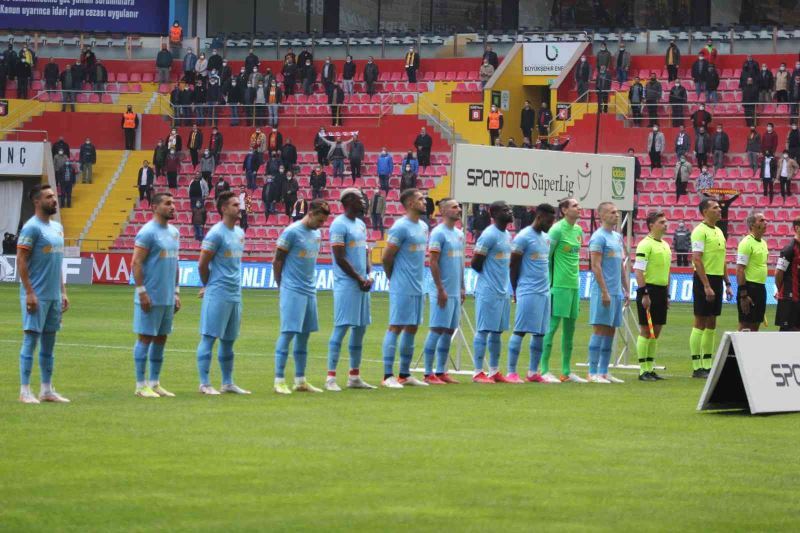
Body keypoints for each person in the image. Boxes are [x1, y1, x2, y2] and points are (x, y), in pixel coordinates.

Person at [16, 185, 70, 404]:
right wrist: (29, 292)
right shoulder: (31, 228)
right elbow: (21, 260)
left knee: (49, 343)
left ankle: (46, 390)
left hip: (53, 296)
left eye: (54, 196)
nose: (54, 200)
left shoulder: (57, 227)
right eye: (49, 197)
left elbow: (57, 262)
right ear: (37, 201)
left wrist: (63, 292)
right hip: (36, 295)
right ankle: (24, 391)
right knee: (31, 340)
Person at [272, 199, 331, 394]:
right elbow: (277, 261)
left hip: (309, 290)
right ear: (310, 214)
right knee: (288, 333)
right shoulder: (291, 232)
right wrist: (281, 286)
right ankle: (279, 380)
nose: (321, 225)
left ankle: (300, 380)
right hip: (292, 289)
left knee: (304, 336)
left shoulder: (317, 234)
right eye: (320, 220)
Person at [195, 192, 250, 395]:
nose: (239, 207)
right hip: (218, 293)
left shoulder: (240, 233)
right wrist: (208, 285)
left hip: (235, 294)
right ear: (224, 209)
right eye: (235, 205)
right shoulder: (215, 234)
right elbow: (202, 264)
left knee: (229, 341)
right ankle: (204, 384)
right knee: (209, 337)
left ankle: (227, 383)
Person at [324, 189, 376, 391]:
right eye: (360, 198)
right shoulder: (339, 224)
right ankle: (330, 377)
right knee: (342, 327)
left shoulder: (361, 224)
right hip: (347, 284)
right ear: (350, 200)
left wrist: (369, 275)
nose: (363, 201)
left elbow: (365, 252)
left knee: (360, 328)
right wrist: (358, 278)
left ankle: (354, 376)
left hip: (362, 284)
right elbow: (339, 257)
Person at [131, 192, 180, 398]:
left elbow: (175, 263)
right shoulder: (147, 232)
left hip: (167, 297)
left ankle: (155, 382)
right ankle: (140, 385)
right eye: (168, 203)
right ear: (154, 207)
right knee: (145, 337)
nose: (173, 206)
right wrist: (142, 292)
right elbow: (136, 263)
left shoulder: (174, 232)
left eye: (173, 203)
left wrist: (176, 292)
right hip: (150, 296)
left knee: (161, 338)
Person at [380, 188, 429, 388]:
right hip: (402, 284)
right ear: (410, 203)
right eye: (420, 199)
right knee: (396, 326)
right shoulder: (400, 227)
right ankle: (387, 376)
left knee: (413, 327)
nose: (424, 201)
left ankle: (404, 374)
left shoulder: (424, 227)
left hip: (418, 284)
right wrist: (393, 277)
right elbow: (386, 257)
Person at [419, 198, 465, 384]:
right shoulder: (438, 233)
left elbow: (460, 263)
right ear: (444, 211)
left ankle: (440, 371)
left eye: (458, 206)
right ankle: (427, 372)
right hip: (442, 290)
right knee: (437, 329)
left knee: (449, 330)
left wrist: (462, 286)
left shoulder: (459, 234)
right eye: (454, 207)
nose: (458, 209)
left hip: (455, 291)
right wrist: (440, 288)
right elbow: (433, 262)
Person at [507, 203, 556, 383]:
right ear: (539, 217)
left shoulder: (546, 238)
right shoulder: (523, 237)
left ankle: (532, 372)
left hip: (544, 292)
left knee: (540, 333)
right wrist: (515, 289)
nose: (550, 225)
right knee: (520, 330)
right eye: (549, 221)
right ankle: (511, 372)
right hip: (528, 290)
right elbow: (513, 265)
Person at [539, 198, 585, 383]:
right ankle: (543, 370)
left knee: (570, 330)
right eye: (575, 206)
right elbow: (547, 258)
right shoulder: (556, 230)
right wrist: (549, 284)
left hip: (574, 286)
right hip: (558, 286)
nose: (579, 208)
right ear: (564, 210)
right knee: (551, 328)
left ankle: (566, 371)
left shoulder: (579, 230)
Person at [470, 201, 513, 383]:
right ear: (493, 214)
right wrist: (489, 278)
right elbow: (475, 263)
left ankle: (494, 370)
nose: (509, 212)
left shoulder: (507, 235)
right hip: (488, 290)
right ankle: (478, 372)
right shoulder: (488, 235)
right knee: (483, 330)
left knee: (497, 332)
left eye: (509, 209)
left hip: (503, 291)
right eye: (505, 210)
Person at [689, 198, 732, 378]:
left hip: (717, 280)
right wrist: (706, 285)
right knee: (700, 321)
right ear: (705, 212)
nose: (719, 210)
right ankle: (697, 366)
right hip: (703, 279)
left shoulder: (720, 231)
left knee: (712, 322)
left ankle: (707, 364)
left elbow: (722, 260)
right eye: (715, 208)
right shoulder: (699, 231)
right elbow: (697, 259)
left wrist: (727, 283)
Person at [586, 202, 628, 383]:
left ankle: (604, 371)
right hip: (604, 291)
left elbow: (620, 265)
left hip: (616, 292)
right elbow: (596, 266)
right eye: (612, 212)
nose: (616, 215)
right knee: (599, 329)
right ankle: (592, 372)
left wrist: (626, 288)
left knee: (611, 331)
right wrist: (604, 291)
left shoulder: (617, 237)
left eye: (617, 212)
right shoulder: (598, 237)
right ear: (602, 215)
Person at [634, 211, 671, 381]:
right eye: (661, 222)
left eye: (665, 222)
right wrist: (644, 293)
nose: (665, 225)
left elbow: (667, 271)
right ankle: (643, 370)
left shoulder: (666, 245)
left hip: (662, 291)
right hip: (649, 290)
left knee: (656, 331)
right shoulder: (644, 245)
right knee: (646, 330)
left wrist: (667, 294)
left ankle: (650, 368)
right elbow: (639, 270)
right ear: (651, 225)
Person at [736, 213, 768, 332]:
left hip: (761, 288)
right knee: (745, 325)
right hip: (749, 288)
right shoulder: (746, 243)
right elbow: (740, 269)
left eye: (765, 220)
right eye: (761, 220)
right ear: (752, 225)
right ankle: (734, 345)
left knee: (755, 326)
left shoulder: (764, 243)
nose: (765, 223)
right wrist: (743, 295)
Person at [774, 218, 800, 331]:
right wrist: (782, 290)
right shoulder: (789, 249)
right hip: (789, 299)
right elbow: (778, 272)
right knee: (787, 333)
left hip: (797, 298)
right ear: (797, 228)